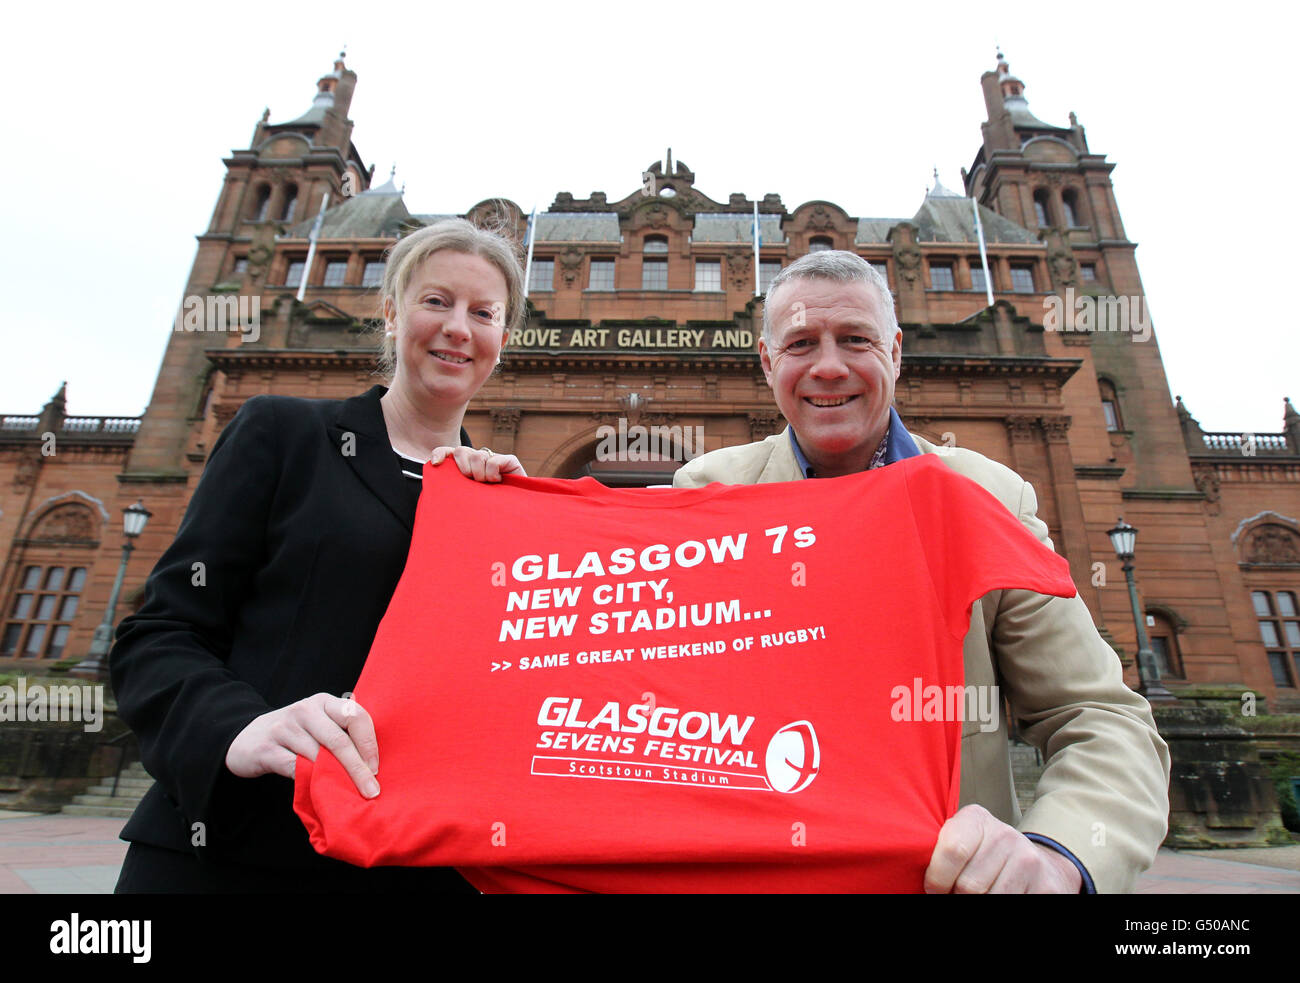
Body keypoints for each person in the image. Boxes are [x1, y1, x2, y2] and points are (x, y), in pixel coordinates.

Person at [673, 250, 1171, 894]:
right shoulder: (707, 492)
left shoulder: (990, 497)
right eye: (801, 344)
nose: (829, 366)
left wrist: (1059, 854)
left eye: (856, 339)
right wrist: (501, 511)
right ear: (768, 363)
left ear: (897, 352)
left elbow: (1099, 716)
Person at [111, 218, 527, 892]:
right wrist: (236, 726)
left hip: (415, 861)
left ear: (502, 340)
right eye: (436, 301)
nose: (458, 326)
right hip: (234, 851)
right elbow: (159, 632)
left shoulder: (501, 503)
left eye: (483, 312)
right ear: (391, 313)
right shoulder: (283, 434)